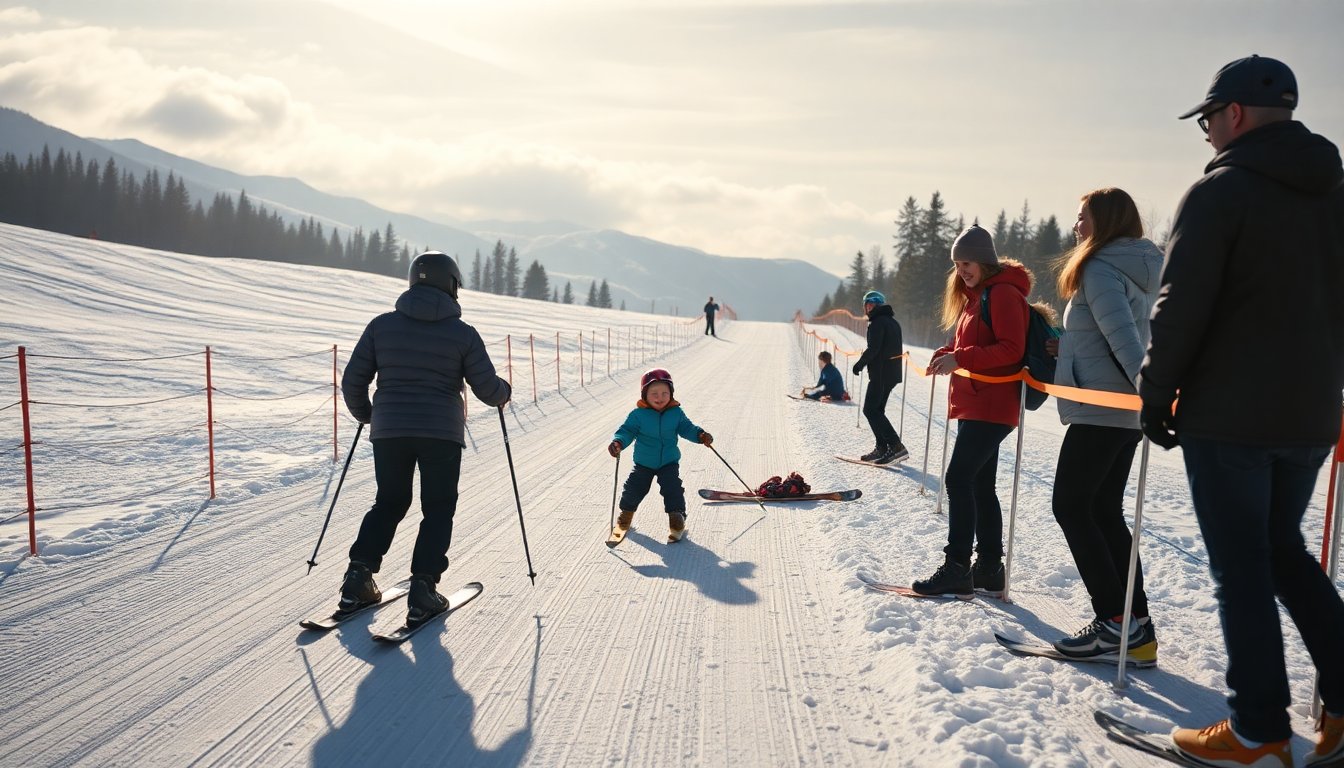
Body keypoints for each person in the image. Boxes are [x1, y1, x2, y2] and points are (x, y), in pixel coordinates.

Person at [1139, 55, 1344, 767]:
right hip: (1312, 413)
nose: (1205, 134)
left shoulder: (1221, 191)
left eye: (1205, 120)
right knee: (1282, 551)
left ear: (1233, 115)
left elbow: (1180, 306)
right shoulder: (1335, 191)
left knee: (1242, 570)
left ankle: (1259, 733)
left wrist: (1155, 391)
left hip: (1230, 415)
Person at [337, 251, 512, 626]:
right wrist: (503, 392)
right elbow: (486, 388)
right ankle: (423, 589)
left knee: (389, 502)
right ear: (451, 286)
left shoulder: (380, 326)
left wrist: (371, 416)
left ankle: (358, 579)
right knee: (437, 507)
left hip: (390, 432)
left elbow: (353, 381)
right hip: (440, 433)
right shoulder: (463, 334)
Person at [1046, 188, 1162, 665]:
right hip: (1124, 410)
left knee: (1071, 507)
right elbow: (1117, 330)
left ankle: (1114, 623)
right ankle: (1138, 629)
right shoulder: (1141, 265)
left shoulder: (1099, 267)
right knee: (1103, 511)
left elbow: (1124, 337)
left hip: (1104, 409)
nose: (1076, 226)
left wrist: (1152, 393)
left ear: (1104, 222)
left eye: (1082, 217)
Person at [913, 225, 1031, 597]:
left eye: (966, 262)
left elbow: (1011, 349)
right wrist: (944, 353)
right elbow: (967, 340)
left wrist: (959, 358)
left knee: (958, 479)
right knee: (980, 484)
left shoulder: (1002, 294)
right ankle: (989, 569)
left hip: (992, 404)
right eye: (957, 263)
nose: (961, 269)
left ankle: (958, 567)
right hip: (976, 402)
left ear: (984, 261)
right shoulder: (976, 296)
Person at [608, 369, 712, 541]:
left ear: (671, 394)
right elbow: (627, 431)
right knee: (634, 489)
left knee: (673, 489)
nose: (660, 397)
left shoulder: (676, 413)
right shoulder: (638, 415)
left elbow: (687, 428)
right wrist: (618, 442)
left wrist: (700, 435)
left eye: (665, 393)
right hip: (644, 463)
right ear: (645, 395)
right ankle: (625, 516)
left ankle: (676, 518)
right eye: (654, 393)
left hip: (668, 462)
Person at [852, 290, 907, 463]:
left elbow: (874, 349)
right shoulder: (891, 321)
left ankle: (896, 447)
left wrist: (860, 364)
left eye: (872, 304)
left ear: (879, 305)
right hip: (889, 374)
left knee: (870, 409)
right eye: (867, 304)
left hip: (882, 374)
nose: (869, 307)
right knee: (877, 410)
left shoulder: (877, 322)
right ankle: (882, 447)